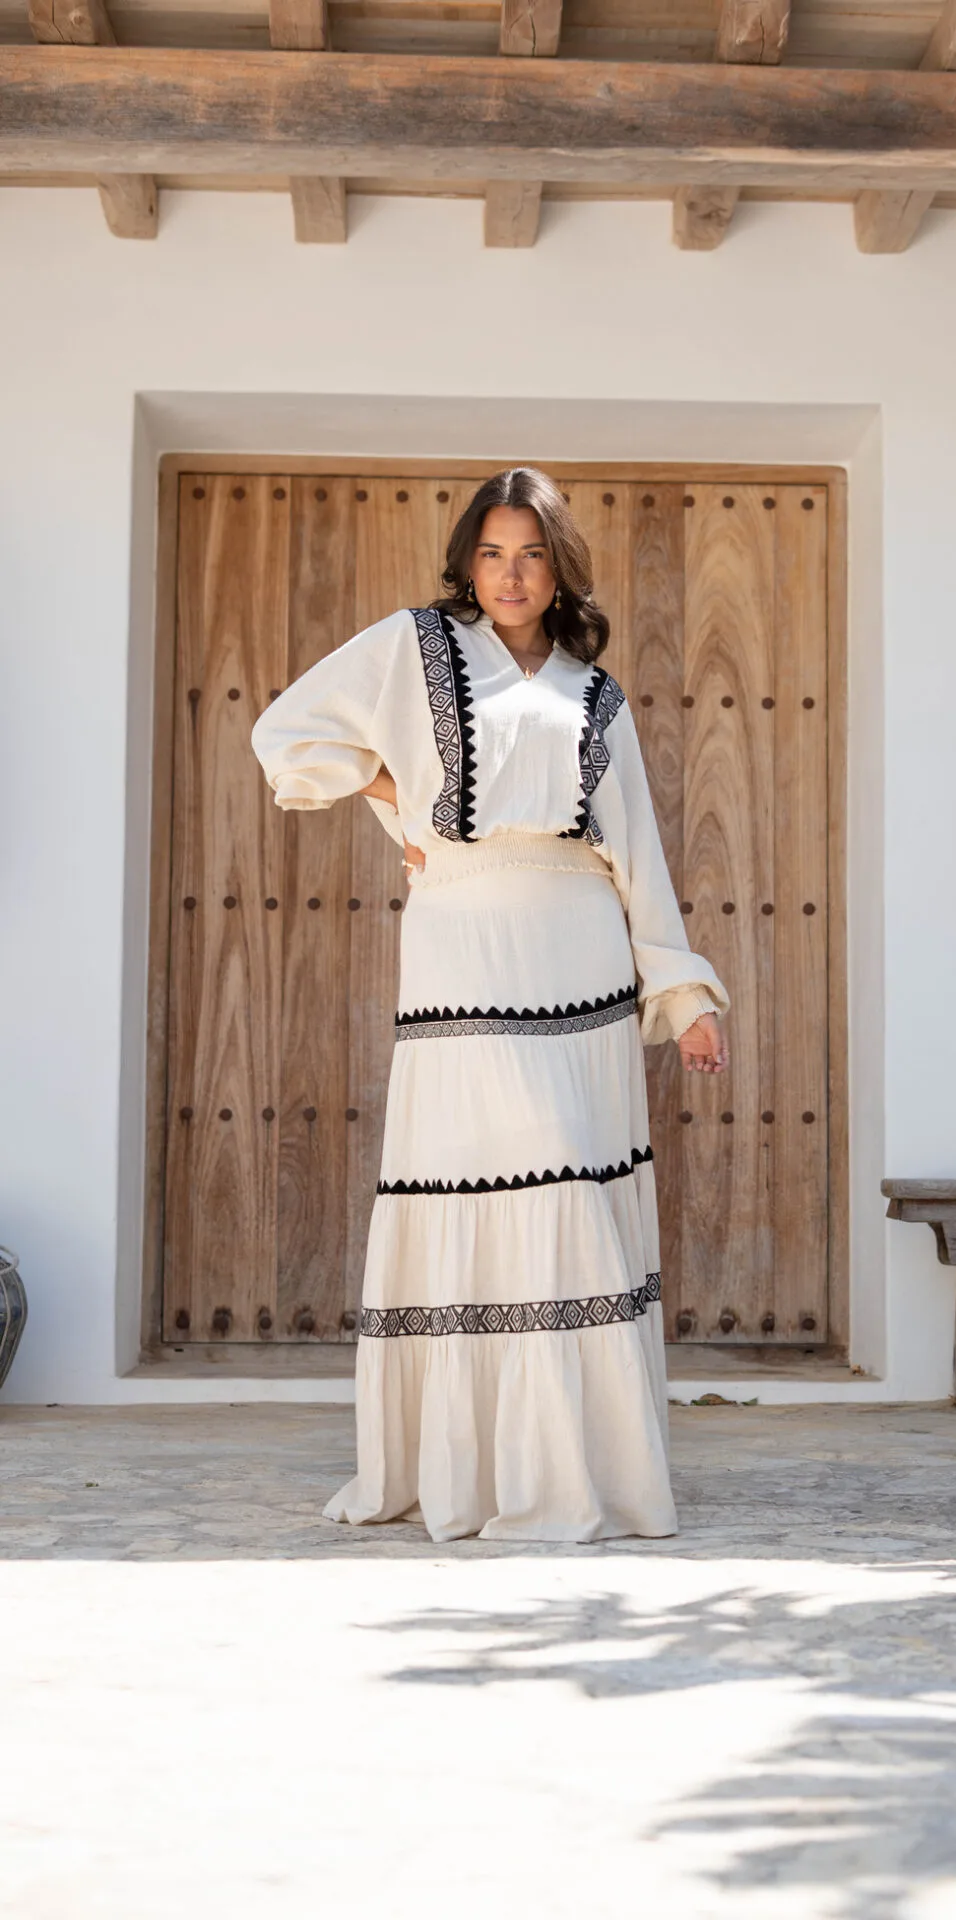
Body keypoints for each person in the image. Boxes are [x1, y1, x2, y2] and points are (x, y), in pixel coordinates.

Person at [251, 467, 729, 1542]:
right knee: (497, 1173)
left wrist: (683, 992)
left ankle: (577, 1475)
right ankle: (473, 1476)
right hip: (462, 942)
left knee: (573, 1190)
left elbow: (639, 852)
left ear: (559, 569)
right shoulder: (410, 645)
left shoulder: (595, 695)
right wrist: (401, 798)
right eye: (492, 553)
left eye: (532, 554)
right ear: (468, 562)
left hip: (580, 947)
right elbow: (289, 738)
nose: (511, 575)